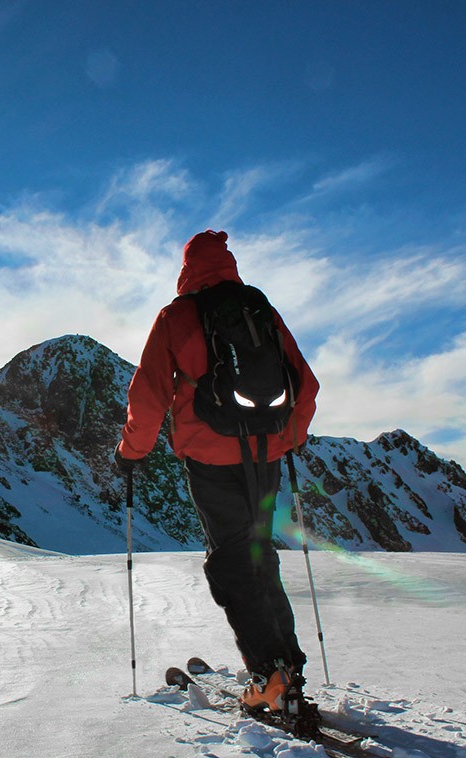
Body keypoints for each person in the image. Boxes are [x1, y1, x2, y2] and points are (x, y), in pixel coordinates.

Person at [115, 229, 319, 714]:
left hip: (210, 458)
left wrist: (131, 451)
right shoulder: (259, 309)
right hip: (266, 454)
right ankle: (286, 666)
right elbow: (305, 383)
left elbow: (148, 394)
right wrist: (287, 439)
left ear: (187, 268)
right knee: (258, 554)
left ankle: (270, 677)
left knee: (231, 561)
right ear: (227, 262)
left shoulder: (177, 316)